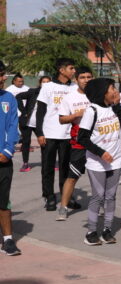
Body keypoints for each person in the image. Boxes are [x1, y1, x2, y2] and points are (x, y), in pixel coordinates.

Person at [77, 78, 121, 245]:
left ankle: (107, 230)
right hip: (97, 163)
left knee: (111, 196)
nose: (115, 91)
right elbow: (82, 138)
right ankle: (91, 231)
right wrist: (101, 153)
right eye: (112, 88)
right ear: (102, 92)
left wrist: (117, 106)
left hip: (115, 161)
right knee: (98, 196)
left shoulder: (114, 109)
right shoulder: (92, 111)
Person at [36, 57, 76, 210]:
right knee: (48, 167)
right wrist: (39, 132)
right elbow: (40, 111)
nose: (73, 71)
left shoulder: (74, 88)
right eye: (71, 68)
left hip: (67, 135)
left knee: (66, 168)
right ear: (61, 70)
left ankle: (67, 197)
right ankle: (49, 196)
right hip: (49, 134)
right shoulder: (48, 87)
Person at [56, 67, 94, 220]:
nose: (86, 80)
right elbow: (61, 119)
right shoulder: (69, 98)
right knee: (72, 177)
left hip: (98, 142)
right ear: (76, 80)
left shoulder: (99, 95)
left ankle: (101, 205)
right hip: (78, 143)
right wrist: (77, 114)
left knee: (99, 177)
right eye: (82, 77)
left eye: (89, 77)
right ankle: (63, 208)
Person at [0, 62, 21, 256]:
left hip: (3, 160)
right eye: (0, 75)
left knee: (3, 201)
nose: (3, 78)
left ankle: (8, 240)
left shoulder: (9, 98)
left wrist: (7, 151)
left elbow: (12, 126)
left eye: (3, 74)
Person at [16, 75, 50, 173]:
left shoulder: (51, 94)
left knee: (44, 143)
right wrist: (23, 110)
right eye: (44, 82)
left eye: (48, 82)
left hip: (41, 123)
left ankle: (46, 163)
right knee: (26, 143)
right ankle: (25, 163)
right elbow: (18, 96)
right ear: (40, 83)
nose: (46, 84)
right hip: (28, 122)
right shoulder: (33, 92)